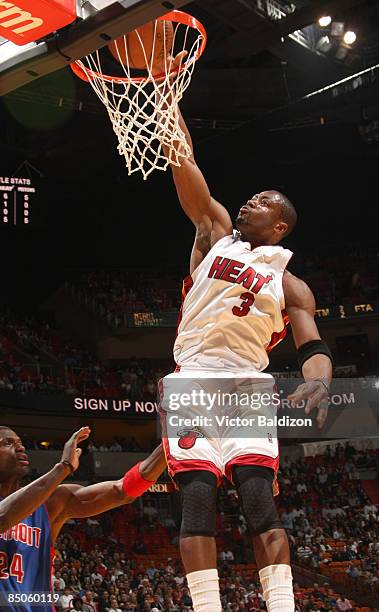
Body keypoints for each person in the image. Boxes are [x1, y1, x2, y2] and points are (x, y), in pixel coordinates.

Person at [158, 96, 333, 612]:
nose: (248, 203)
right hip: (192, 378)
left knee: (259, 501)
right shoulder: (214, 233)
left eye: (261, 202)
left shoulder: (291, 283)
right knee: (195, 500)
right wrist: (165, 102)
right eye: (250, 198)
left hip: (245, 387)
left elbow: (313, 345)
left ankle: (282, 604)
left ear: (280, 226)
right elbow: (184, 161)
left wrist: (318, 381)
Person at [0, 425, 167, 611]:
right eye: (8, 443)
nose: (20, 447)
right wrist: (64, 467)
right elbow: (4, 517)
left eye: (20, 443)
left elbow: (122, 491)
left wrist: (170, 445)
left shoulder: (50, 504)